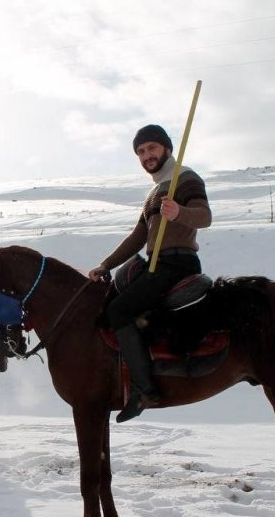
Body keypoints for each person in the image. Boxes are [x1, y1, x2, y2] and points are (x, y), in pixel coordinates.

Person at [87, 124, 211, 423]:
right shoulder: (155, 192)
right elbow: (137, 237)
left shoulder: (186, 178)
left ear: (166, 148)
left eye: (151, 148)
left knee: (119, 312)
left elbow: (205, 217)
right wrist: (106, 264)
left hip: (177, 263)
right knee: (111, 304)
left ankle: (145, 391)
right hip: (155, 263)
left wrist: (179, 213)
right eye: (141, 152)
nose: (146, 155)